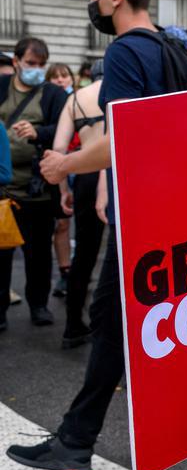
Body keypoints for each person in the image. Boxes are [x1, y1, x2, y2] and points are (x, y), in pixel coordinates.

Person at [6, 0, 166, 470]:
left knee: (113, 320)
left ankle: (77, 442)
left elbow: (122, 140)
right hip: (166, 209)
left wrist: (64, 164)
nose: (91, 6)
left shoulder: (123, 52)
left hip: (137, 212)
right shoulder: (174, 48)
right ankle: (78, 438)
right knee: (115, 321)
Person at [0, 37, 68, 331]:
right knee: (1, 255)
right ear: (16, 62)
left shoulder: (53, 94)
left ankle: (38, 305)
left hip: (37, 190)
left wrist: (39, 133)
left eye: (41, 65)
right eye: (30, 64)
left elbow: (65, 129)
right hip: (4, 191)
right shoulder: (2, 87)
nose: (36, 70)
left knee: (38, 254)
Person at [51, 58, 106, 349]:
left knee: (84, 254)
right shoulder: (121, 91)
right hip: (114, 173)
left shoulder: (75, 99)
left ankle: (73, 324)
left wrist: (63, 190)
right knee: (121, 255)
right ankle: (114, 325)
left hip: (83, 174)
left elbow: (59, 151)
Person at [46, 63, 75, 299]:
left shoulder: (80, 101)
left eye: (64, 76)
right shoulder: (47, 102)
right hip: (57, 168)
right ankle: (65, 273)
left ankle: (73, 274)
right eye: (54, 77)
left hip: (81, 168)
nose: (60, 80)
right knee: (62, 224)